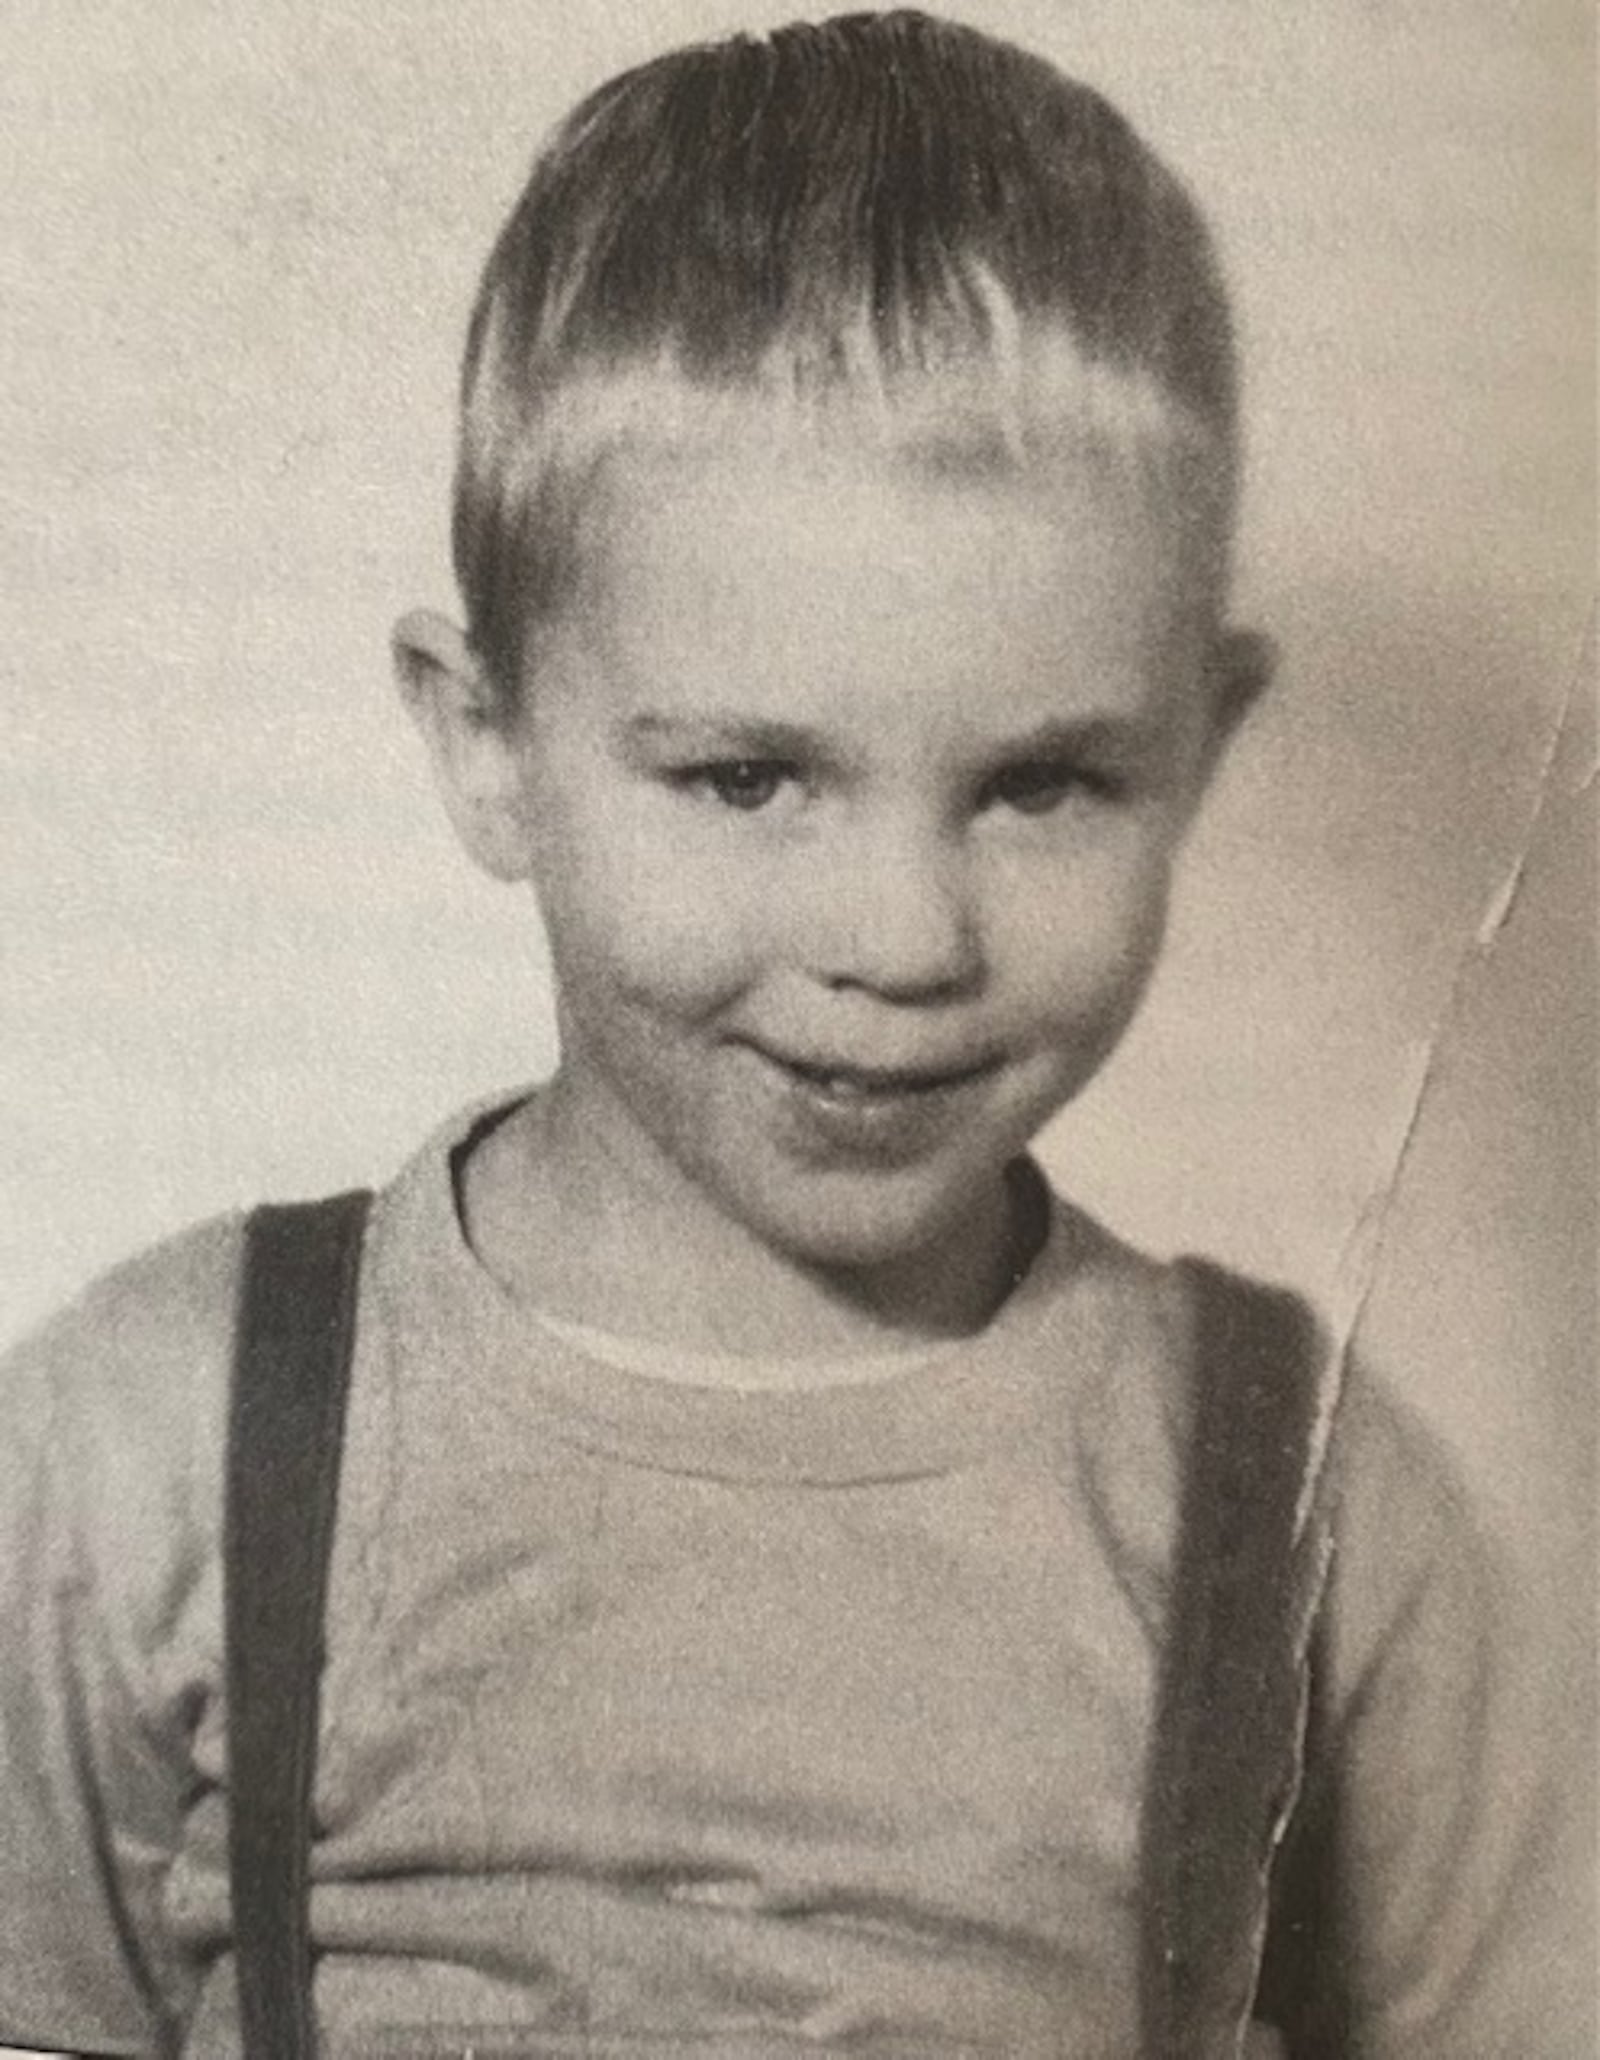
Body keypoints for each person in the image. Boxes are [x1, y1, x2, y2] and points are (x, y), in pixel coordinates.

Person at [0, 11, 1580, 2055]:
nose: (900, 938)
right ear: (486, 745)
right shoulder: (149, 1445)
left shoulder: (1308, 1515)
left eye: (1042, 785)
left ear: (1200, 746)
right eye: (748, 778)